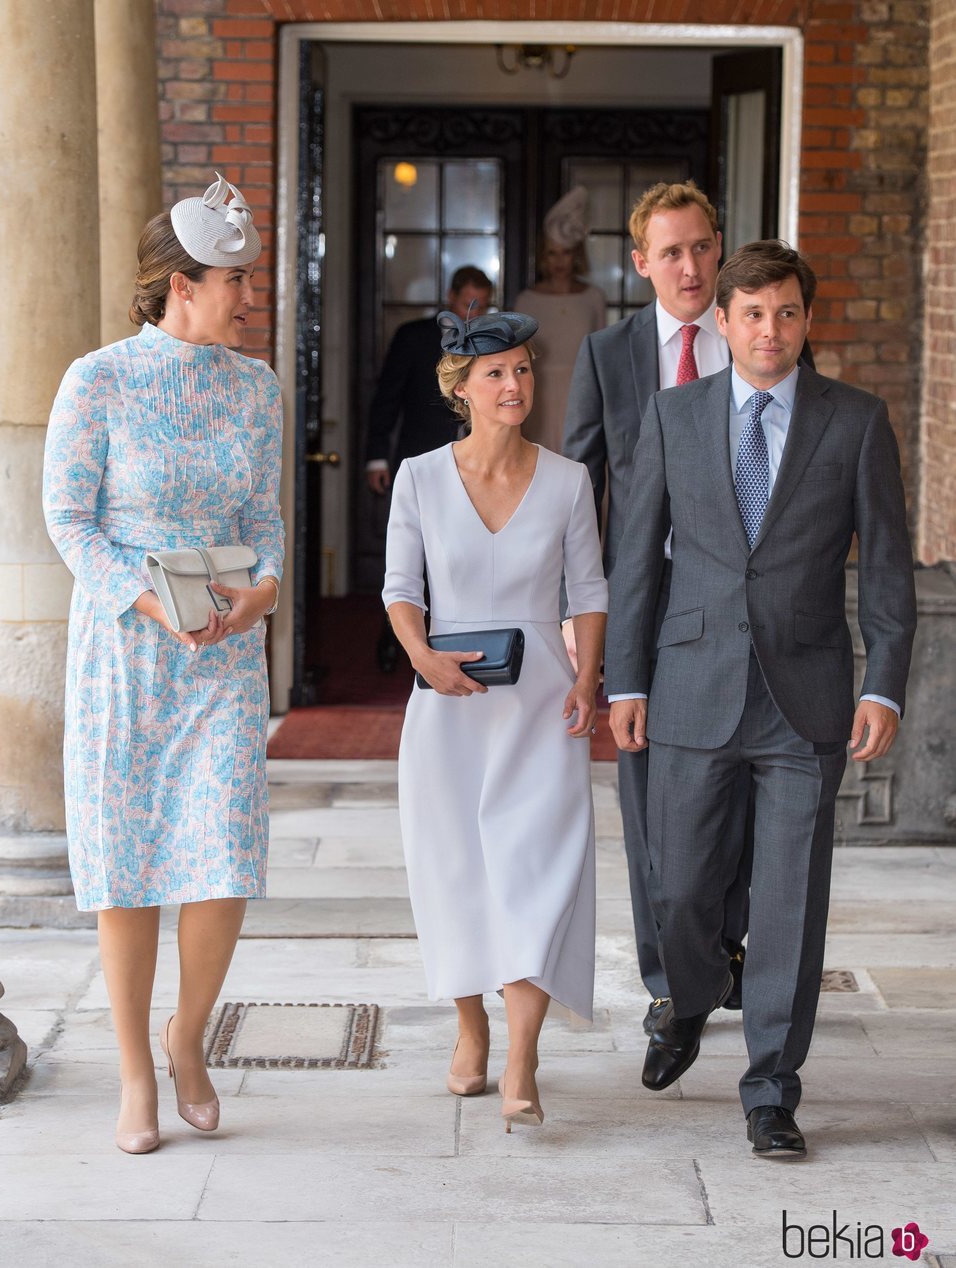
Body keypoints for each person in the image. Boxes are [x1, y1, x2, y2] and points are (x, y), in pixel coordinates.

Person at [605, 240, 916, 1157]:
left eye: (785, 312)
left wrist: (884, 684)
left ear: (805, 320)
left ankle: (772, 1090)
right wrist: (626, 678)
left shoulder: (855, 422)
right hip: (690, 687)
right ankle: (692, 997)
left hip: (806, 697)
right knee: (685, 892)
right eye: (752, 314)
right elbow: (636, 561)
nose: (769, 330)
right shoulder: (672, 415)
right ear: (724, 323)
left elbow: (891, 571)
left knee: (789, 901)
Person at [43, 173, 285, 1155]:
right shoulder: (95, 378)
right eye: (235, 281)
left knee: (223, 850)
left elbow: (263, 527)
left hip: (223, 657)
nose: (248, 298)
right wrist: (149, 600)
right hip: (126, 655)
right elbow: (69, 520)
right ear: (182, 283)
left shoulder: (256, 387)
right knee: (128, 864)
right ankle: (136, 1070)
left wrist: (258, 596)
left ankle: (188, 1036)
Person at [383, 307, 607, 1132]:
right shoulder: (418, 479)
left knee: (537, 873)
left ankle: (522, 1056)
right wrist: (423, 659)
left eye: (523, 370)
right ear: (461, 389)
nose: (515, 385)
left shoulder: (568, 480)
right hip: (446, 710)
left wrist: (587, 676)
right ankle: (470, 1027)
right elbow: (401, 590)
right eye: (496, 374)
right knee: (456, 874)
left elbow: (587, 593)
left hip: (543, 707)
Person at [564, 181, 755, 1034]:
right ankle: (667, 980)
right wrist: (577, 617)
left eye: (702, 247)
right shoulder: (610, 355)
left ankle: (727, 949)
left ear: (721, 250)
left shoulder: (756, 339)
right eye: (670, 252)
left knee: (745, 784)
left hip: (741, 609)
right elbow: (579, 491)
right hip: (645, 603)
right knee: (649, 798)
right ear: (640, 263)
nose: (689, 266)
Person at [366, 265, 493, 670]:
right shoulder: (413, 337)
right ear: (450, 298)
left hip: (477, 466)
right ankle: (395, 640)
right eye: (466, 304)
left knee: (461, 555)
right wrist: (377, 456)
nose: (472, 315)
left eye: (482, 307)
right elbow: (386, 399)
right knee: (410, 559)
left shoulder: (491, 343)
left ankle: (459, 640)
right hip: (419, 459)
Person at [512, 186, 606, 453]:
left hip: (583, 394)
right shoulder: (526, 301)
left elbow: (601, 355)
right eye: (552, 253)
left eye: (565, 252)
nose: (559, 261)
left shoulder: (593, 298)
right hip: (538, 397)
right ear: (543, 256)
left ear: (576, 254)